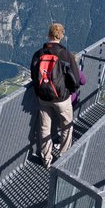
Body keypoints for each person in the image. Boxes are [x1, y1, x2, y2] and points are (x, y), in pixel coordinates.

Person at [30, 23, 81, 169]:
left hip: (43, 98)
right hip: (62, 98)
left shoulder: (38, 54)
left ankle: (46, 160)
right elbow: (76, 79)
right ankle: (63, 158)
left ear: (48, 35)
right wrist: (70, 91)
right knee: (67, 126)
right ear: (61, 36)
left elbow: (34, 75)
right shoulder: (65, 54)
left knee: (44, 128)